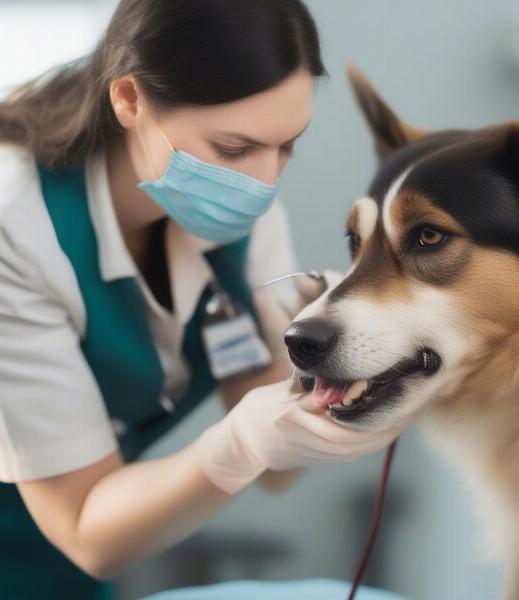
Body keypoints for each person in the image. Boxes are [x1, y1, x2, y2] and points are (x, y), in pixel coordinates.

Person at [0, 1, 402, 598]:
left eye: (286, 146)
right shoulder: (15, 225)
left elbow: (277, 473)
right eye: (234, 150)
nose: (264, 184)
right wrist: (240, 442)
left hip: (83, 558)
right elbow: (87, 531)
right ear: (129, 100)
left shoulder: (235, 213)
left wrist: (326, 367)